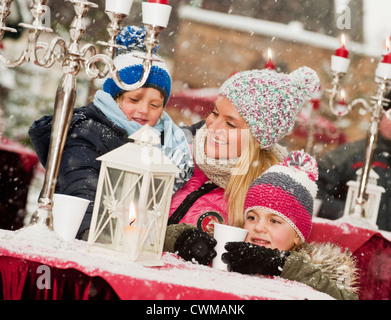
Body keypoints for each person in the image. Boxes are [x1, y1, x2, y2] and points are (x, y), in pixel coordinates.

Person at [28, 26, 193, 239]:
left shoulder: (168, 141)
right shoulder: (87, 135)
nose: (144, 110)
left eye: (155, 105)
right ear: (114, 98)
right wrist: (99, 235)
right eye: (134, 100)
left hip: (131, 242)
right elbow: (82, 191)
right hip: (88, 242)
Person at [164, 66, 320, 265]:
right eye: (214, 113)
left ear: (256, 140)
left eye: (230, 124)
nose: (212, 126)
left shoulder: (266, 196)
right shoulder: (176, 155)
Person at [221, 150, 359, 300]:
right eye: (252, 217)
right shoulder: (226, 252)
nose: (259, 227)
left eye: (274, 221)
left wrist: (285, 265)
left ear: (297, 236)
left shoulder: (318, 276)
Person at [316, 100, 391, 231]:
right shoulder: (349, 155)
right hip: (350, 241)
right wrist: (345, 213)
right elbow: (315, 192)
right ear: (380, 116)